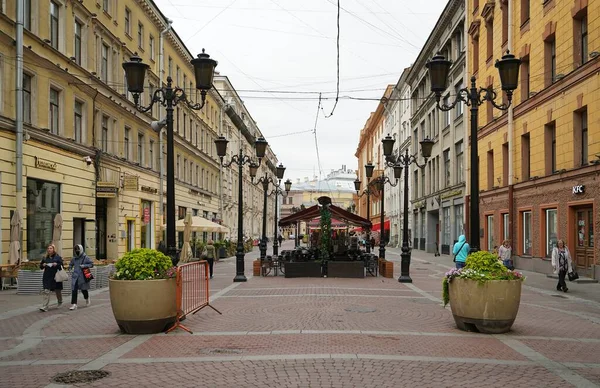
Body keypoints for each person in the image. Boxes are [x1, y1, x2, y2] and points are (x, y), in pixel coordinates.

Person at [69, 244, 94, 310]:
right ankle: (74, 304)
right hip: (75, 277)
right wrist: (70, 268)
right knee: (74, 290)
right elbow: (71, 264)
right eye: (75, 250)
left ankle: (87, 298)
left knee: (84, 290)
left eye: (78, 249)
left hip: (83, 277)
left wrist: (84, 266)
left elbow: (91, 264)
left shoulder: (85, 257)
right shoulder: (74, 258)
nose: (77, 251)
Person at [39, 244, 63, 312]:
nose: (49, 249)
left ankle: (60, 301)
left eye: (51, 248)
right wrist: (42, 265)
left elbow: (61, 265)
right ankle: (45, 306)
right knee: (46, 291)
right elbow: (41, 266)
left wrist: (56, 264)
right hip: (47, 276)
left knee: (57, 290)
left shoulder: (57, 257)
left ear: (53, 249)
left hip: (56, 276)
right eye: (48, 248)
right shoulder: (45, 258)